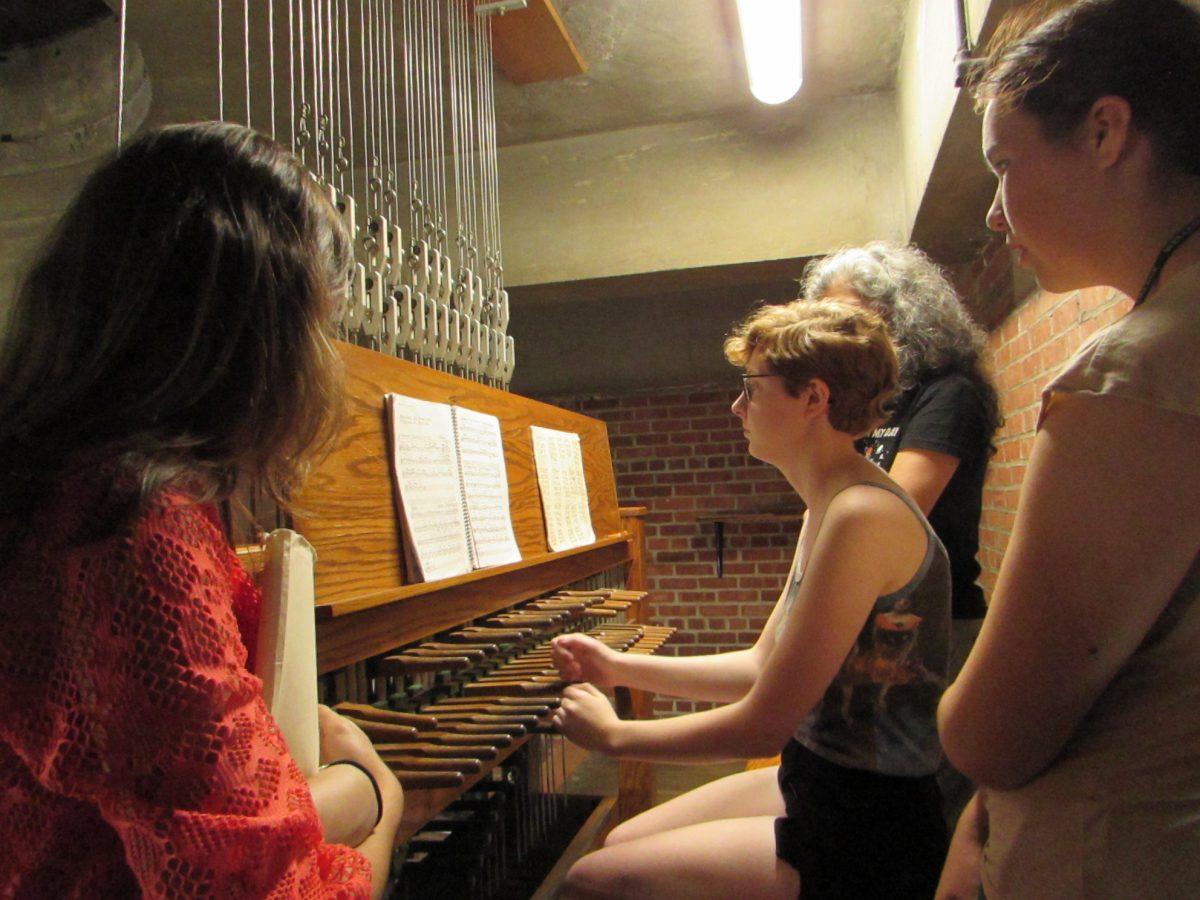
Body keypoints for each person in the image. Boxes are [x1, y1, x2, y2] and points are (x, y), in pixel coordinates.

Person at [0, 122, 403, 898]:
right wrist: (375, 794)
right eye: (319, 323)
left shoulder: (48, 476)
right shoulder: (131, 520)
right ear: (259, 332)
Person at [551, 300, 952, 899]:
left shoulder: (862, 515)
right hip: (817, 778)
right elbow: (761, 667)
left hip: (869, 822)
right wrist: (620, 667)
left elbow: (764, 725)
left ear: (814, 397)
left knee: (589, 881)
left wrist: (614, 737)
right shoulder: (827, 503)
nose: (737, 407)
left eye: (751, 389)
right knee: (615, 844)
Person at [935, 1, 1200, 897]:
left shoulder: (1137, 368)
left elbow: (991, 735)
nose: (999, 215)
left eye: (1005, 166)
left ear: (1103, 130)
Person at [802, 241, 1000, 824]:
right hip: (872, 630)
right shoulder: (866, 404)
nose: (839, 334)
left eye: (853, 317)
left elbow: (891, 512)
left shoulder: (949, 392)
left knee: (924, 821)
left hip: (937, 632)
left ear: (902, 315)